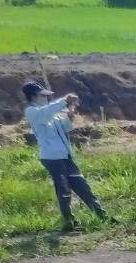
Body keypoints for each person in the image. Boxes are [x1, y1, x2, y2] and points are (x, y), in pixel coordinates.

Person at [21, 80, 108, 232]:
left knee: (82, 186)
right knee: (64, 189)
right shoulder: (33, 111)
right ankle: (69, 222)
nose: (46, 98)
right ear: (33, 96)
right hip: (51, 157)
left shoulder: (50, 112)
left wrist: (70, 115)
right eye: (42, 95)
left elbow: (65, 127)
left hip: (64, 155)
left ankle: (102, 216)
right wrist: (64, 101)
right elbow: (45, 114)